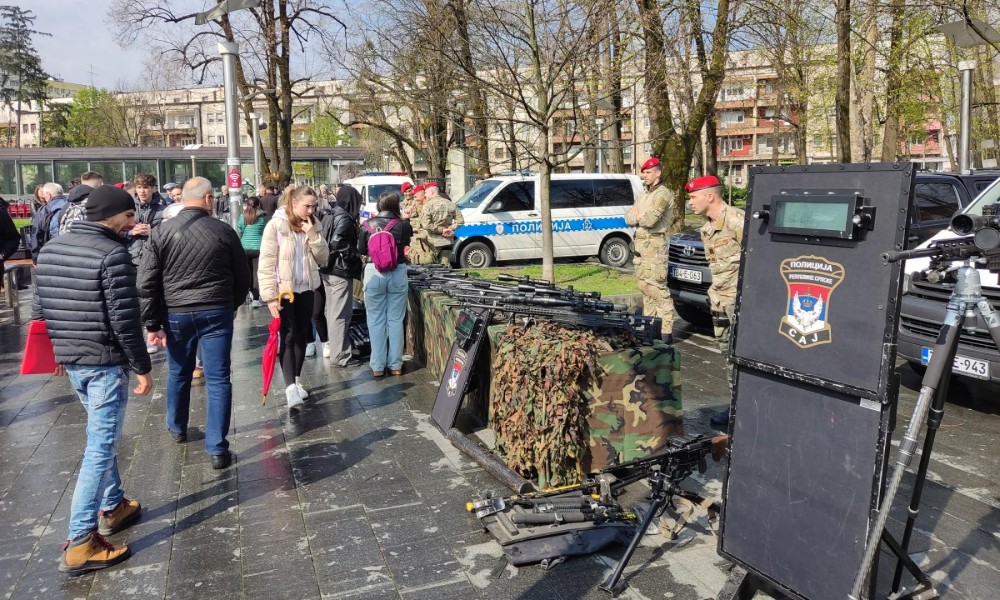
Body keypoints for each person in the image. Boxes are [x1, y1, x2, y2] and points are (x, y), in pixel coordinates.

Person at [33, 185, 153, 575]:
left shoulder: (51, 249)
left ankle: (114, 505)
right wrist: (142, 367)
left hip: (74, 360)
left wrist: (57, 353)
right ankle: (81, 539)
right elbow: (124, 320)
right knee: (99, 449)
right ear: (110, 216)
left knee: (100, 437)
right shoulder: (112, 254)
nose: (132, 222)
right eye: (128, 216)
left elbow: (41, 306)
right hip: (102, 362)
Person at [138, 176, 251, 470]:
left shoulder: (160, 233)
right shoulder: (224, 231)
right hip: (216, 311)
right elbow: (243, 277)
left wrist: (152, 323)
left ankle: (177, 426)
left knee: (179, 372)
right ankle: (217, 448)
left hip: (176, 313)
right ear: (209, 199)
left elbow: (146, 282)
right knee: (218, 378)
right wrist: (233, 305)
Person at [258, 186, 330, 412]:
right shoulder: (276, 225)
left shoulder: (313, 224)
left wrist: (313, 235)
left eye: (314, 206)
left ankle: (296, 380)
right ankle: (290, 388)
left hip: (308, 288)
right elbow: (267, 262)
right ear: (293, 203)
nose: (311, 210)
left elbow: (324, 258)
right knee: (288, 336)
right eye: (307, 206)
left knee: (303, 336)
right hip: (284, 291)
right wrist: (269, 296)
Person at [687, 174, 744, 426]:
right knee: (727, 355)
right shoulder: (707, 228)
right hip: (719, 301)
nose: (690, 202)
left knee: (742, 356)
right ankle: (736, 406)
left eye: (693, 197)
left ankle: (744, 409)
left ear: (710, 196)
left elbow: (758, 259)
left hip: (739, 304)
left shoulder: (736, 220)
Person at [358, 191, 412, 377]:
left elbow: (361, 249)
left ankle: (377, 366)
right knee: (396, 320)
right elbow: (406, 242)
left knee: (375, 320)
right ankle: (396, 365)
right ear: (396, 206)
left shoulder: (367, 225)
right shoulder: (403, 225)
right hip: (398, 271)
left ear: (379, 206)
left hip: (374, 271)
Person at [625, 157, 675, 343]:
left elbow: (649, 220)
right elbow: (628, 217)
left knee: (658, 290)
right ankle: (651, 329)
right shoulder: (643, 195)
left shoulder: (662, 195)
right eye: (644, 172)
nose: (644, 176)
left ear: (658, 173)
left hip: (655, 249)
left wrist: (639, 216)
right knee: (646, 290)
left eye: (648, 172)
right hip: (641, 250)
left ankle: (666, 332)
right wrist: (638, 216)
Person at [321, 185, 363, 367]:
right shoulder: (345, 218)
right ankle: (340, 356)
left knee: (331, 312)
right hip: (340, 270)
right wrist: (353, 256)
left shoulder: (329, 214)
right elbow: (337, 242)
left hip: (328, 269)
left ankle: (337, 350)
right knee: (341, 314)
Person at [418, 181, 464, 265]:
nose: (425, 195)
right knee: (445, 267)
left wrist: (442, 230)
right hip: (447, 241)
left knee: (430, 266)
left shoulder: (428, 205)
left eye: (426, 192)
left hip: (432, 242)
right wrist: (449, 229)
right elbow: (460, 221)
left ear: (432, 192)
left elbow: (426, 225)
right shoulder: (450, 204)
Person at [238, 196, 267, 309]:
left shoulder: (242, 217)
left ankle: (247, 294)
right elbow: (265, 231)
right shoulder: (262, 218)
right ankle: (256, 299)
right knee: (256, 274)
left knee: (247, 273)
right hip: (258, 249)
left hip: (244, 248)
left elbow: (239, 230)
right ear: (258, 205)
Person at [28, 182, 68, 262]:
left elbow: (35, 235)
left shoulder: (44, 210)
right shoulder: (72, 205)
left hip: (51, 253)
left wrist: (35, 259)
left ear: (48, 194)